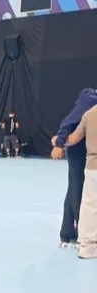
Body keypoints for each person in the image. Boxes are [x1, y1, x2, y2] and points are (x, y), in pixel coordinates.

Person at [50, 88, 97, 247]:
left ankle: (67, 233)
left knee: (74, 189)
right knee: (78, 190)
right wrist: (59, 143)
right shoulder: (91, 100)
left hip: (84, 150)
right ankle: (80, 233)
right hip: (78, 152)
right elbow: (68, 122)